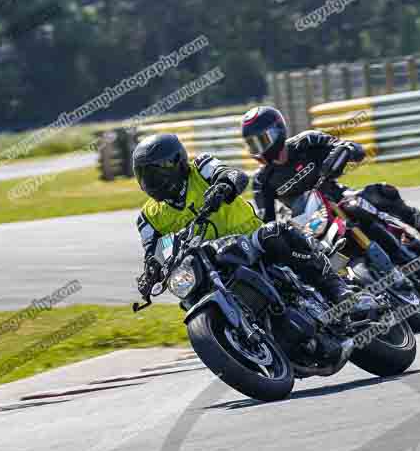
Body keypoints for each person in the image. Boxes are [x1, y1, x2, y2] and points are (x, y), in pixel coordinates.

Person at [133, 133, 372, 361]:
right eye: (143, 175)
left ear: (174, 163)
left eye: (153, 173)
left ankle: (337, 290)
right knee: (188, 292)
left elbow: (232, 174)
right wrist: (151, 271)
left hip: (248, 240)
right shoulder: (148, 217)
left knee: (274, 233)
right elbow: (154, 249)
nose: (149, 182)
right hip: (209, 261)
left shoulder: (201, 167)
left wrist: (224, 186)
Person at [244, 106, 420, 265]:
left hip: (339, 199)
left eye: (262, 140)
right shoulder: (262, 180)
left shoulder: (307, 142)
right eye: (254, 145)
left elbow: (351, 148)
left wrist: (344, 151)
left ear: (278, 131)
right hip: (312, 223)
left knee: (380, 193)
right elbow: (266, 220)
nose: (260, 149)